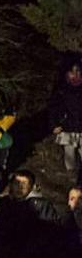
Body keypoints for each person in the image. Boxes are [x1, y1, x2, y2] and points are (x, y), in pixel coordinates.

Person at [49, 57, 82, 187]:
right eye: (73, 71)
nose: (76, 74)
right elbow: (53, 108)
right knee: (70, 157)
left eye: (78, 71)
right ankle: (71, 183)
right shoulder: (61, 89)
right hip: (67, 127)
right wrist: (54, 124)